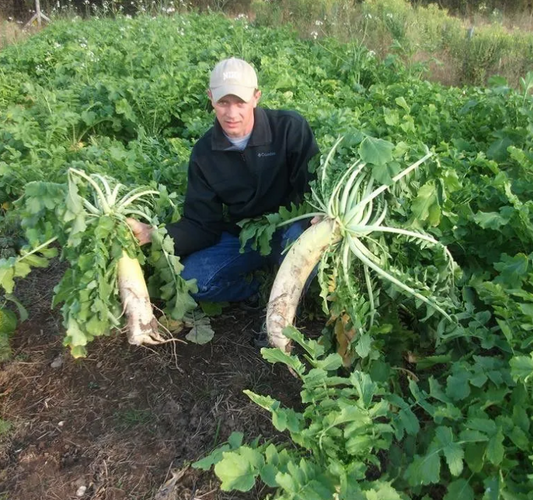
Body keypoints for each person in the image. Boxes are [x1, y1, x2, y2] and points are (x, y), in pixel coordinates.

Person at [128, 57, 320, 309]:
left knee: (304, 248)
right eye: (223, 102)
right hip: (245, 236)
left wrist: (319, 216)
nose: (232, 113)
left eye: (240, 102)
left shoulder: (289, 129)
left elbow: (312, 186)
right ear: (211, 98)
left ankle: (288, 301)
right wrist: (156, 234)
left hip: (291, 228)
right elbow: (201, 224)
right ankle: (261, 289)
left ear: (256, 97)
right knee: (192, 279)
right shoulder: (204, 154)